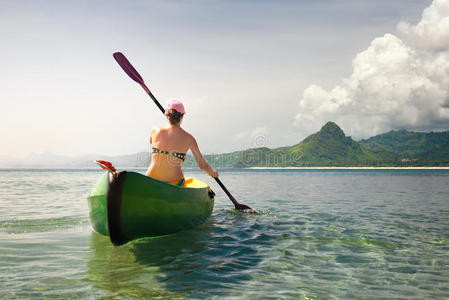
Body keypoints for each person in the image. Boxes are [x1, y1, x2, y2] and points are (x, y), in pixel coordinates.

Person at [145, 100, 218, 186]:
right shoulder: (189, 138)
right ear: (182, 116)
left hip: (150, 179)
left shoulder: (155, 130)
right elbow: (202, 165)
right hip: (175, 184)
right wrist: (213, 173)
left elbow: (151, 141)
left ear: (166, 114)